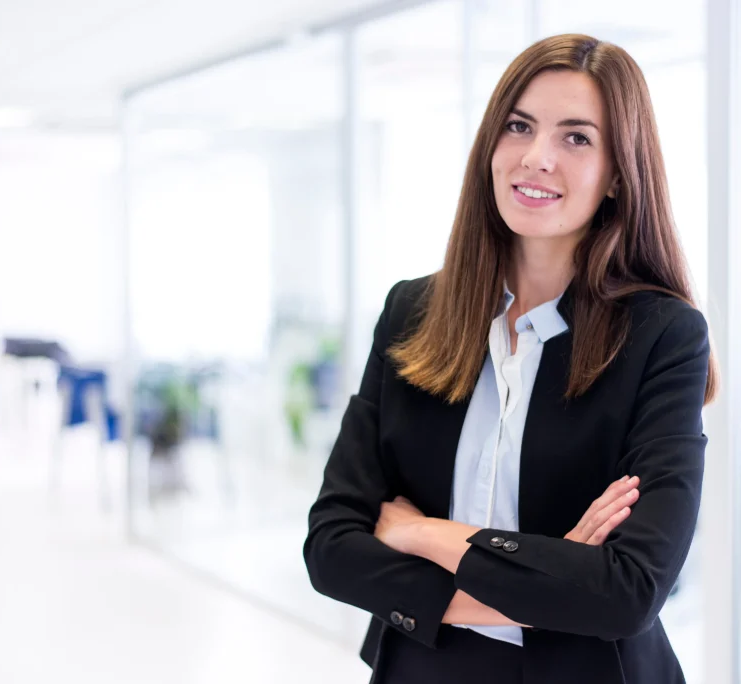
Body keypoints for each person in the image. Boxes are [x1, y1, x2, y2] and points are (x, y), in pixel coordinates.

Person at [304, 34, 717, 684]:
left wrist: (424, 534)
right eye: (519, 126)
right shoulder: (411, 312)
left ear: (617, 173)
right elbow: (331, 548)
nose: (536, 157)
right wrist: (553, 579)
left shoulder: (662, 336)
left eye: (576, 137)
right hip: (422, 669)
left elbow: (628, 591)